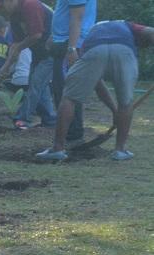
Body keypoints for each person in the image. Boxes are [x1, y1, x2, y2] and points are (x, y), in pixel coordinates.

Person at [37, 20, 154, 161]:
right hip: (124, 52)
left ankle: (57, 149)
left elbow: (96, 83)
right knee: (126, 103)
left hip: (94, 51)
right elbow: (151, 32)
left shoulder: (91, 33)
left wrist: (113, 110)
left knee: (69, 98)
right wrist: (117, 109)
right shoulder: (130, 26)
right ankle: (120, 150)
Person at [0, 0, 56, 128]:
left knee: (36, 83)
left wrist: (19, 47)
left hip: (53, 50)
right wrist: (6, 66)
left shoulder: (30, 5)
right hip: (39, 53)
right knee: (39, 85)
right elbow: (16, 45)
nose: (3, 10)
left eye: (2, 6)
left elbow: (36, 35)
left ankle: (22, 119)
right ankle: (50, 119)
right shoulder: (14, 17)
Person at [48, 0, 99, 144]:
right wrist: (54, 36)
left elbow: (77, 16)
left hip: (70, 45)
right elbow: (66, 14)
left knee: (67, 93)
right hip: (65, 42)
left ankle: (73, 136)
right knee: (61, 91)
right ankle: (71, 135)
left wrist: (71, 48)